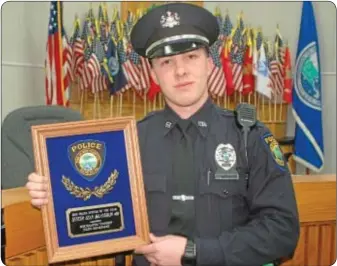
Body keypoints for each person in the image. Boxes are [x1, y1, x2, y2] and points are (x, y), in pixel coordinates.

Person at [26, 3, 300, 266]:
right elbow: (92, 206)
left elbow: (282, 231)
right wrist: (54, 193)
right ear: (154, 74)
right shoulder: (129, 141)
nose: (180, 71)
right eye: (167, 62)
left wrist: (196, 252)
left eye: (191, 57)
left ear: (209, 64)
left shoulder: (248, 137)